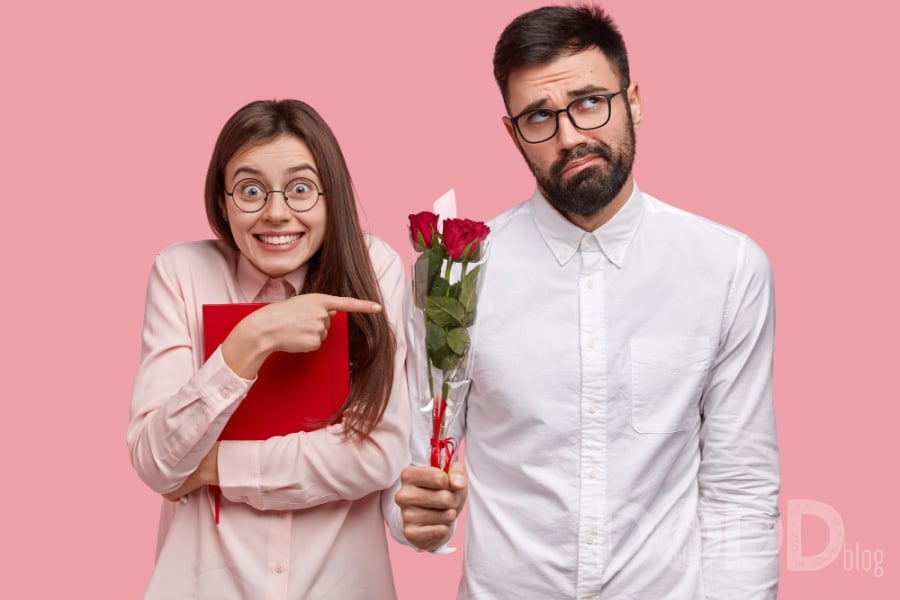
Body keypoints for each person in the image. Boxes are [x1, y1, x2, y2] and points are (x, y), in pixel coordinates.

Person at [387, 5, 780, 599]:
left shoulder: (727, 268)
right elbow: (411, 470)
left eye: (590, 101)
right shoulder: (454, 274)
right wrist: (412, 516)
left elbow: (741, 486)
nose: (570, 136)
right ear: (513, 132)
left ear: (634, 101)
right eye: (540, 116)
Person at [127, 99, 410, 599]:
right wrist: (249, 342)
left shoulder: (373, 268)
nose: (277, 212)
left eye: (301, 189)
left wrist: (213, 468)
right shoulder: (182, 272)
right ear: (223, 200)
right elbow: (156, 462)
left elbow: (376, 454)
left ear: (330, 196)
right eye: (251, 190)